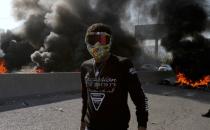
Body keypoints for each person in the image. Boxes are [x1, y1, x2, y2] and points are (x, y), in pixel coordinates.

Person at [80, 23, 148, 130]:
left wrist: (142, 125)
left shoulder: (123, 64)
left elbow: (140, 98)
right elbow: (85, 98)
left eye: (102, 40)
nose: (97, 44)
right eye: (92, 40)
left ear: (110, 41)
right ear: (86, 41)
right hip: (91, 126)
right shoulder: (85, 66)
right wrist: (82, 122)